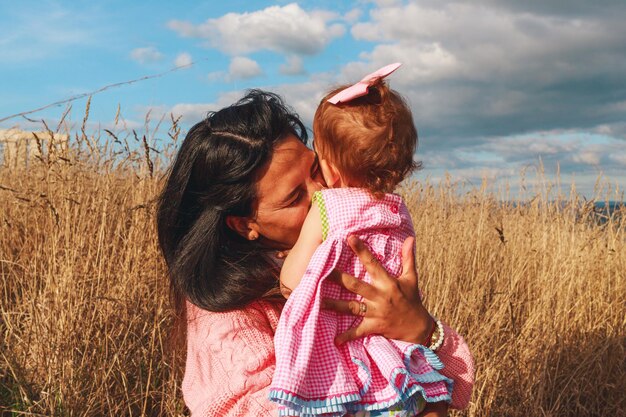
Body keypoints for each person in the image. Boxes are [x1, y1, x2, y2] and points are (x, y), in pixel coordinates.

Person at [156, 89, 474, 417]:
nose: (321, 192)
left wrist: (421, 328)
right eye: (294, 196)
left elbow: (456, 386)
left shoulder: (348, 256)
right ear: (244, 225)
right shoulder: (226, 315)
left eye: (315, 170)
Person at [270, 64, 453, 417]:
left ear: (331, 169)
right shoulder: (399, 213)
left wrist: (293, 256)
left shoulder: (328, 207)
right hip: (394, 355)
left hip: (341, 358)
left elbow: (291, 284)